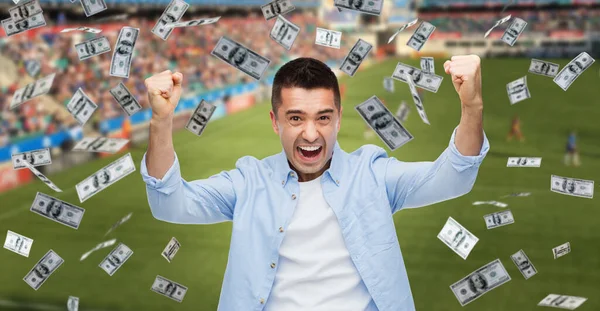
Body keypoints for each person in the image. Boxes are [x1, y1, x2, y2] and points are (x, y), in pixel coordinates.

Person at [142, 55, 489, 311]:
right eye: (295, 118)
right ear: (275, 122)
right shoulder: (248, 182)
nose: (311, 134)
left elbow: (454, 177)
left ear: (338, 119)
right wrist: (160, 122)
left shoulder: (373, 175)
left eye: (323, 118)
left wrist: (472, 105)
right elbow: (168, 203)